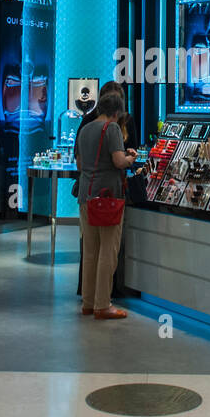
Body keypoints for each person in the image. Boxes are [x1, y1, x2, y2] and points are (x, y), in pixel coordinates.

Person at [75, 92, 137, 319]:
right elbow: (118, 161)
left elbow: (80, 163)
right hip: (108, 198)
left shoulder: (85, 129)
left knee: (90, 251)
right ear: (117, 112)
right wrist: (131, 158)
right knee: (108, 251)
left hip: (86, 196)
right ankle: (103, 304)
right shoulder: (111, 129)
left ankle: (88, 302)